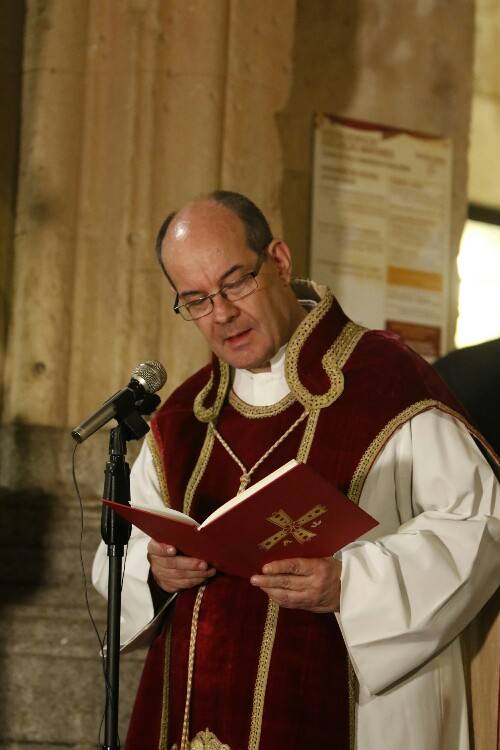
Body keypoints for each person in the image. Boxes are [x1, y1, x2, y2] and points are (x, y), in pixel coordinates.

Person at [93, 191, 500, 750]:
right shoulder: (183, 420)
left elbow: (480, 522)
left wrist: (352, 583)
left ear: (279, 262)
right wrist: (155, 572)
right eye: (196, 299)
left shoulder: (386, 382)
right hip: (197, 711)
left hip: (352, 705)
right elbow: (125, 553)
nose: (222, 314)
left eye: (235, 282)